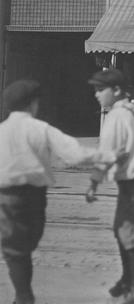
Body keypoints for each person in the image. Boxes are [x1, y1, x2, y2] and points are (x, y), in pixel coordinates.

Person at [0, 79, 124, 304]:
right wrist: (107, 156)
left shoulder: (1, 131)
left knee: (15, 249)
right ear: (32, 104)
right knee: (26, 245)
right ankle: (23, 296)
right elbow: (74, 154)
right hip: (36, 198)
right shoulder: (41, 129)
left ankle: (23, 294)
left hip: (6, 197)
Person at [86, 69, 134, 304]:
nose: (96, 95)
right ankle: (127, 279)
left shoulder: (117, 116)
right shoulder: (132, 109)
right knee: (121, 229)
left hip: (133, 181)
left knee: (129, 233)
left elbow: (111, 152)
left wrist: (94, 180)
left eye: (100, 90)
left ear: (116, 91)